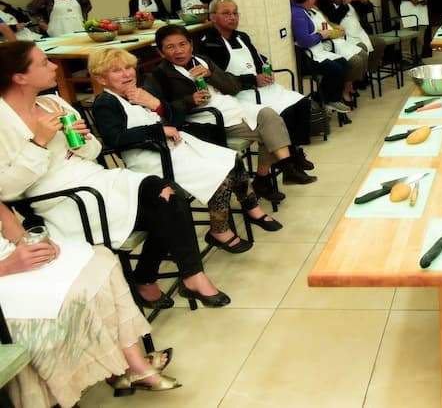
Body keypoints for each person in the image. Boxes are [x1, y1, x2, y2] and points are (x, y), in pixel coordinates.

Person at [0, 40, 230, 309]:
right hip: (62, 199)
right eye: (44, 63)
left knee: (167, 193)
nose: (54, 66)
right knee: (162, 207)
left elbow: (94, 151)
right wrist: (39, 144)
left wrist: (82, 140)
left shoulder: (52, 102)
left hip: (95, 176)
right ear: (20, 77)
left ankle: (188, 277)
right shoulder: (3, 121)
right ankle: (154, 278)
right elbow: (6, 190)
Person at [90, 47, 282, 252]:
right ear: (101, 79)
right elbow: (115, 139)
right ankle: (219, 230)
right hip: (150, 159)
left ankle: (252, 208)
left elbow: (178, 119)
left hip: (175, 148)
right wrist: (159, 130)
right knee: (218, 174)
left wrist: (156, 104)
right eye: (116, 70)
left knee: (231, 159)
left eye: (128, 67)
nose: (127, 74)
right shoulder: (106, 103)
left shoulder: (141, 92)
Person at [0, 201, 181, 405]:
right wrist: (7, 266)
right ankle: (119, 371)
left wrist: (27, 243)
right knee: (65, 300)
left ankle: (132, 363)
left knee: (99, 261)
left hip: (10, 254)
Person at [148, 25, 317, 201]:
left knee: (269, 115)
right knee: (269, 129)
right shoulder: (159, 75)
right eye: (170, 47)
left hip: (231, 108)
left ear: (190, 44)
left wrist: (211, 75)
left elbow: (234, 87)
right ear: (161, 52)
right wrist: (189, 101)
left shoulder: (202, 60)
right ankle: (271, 176)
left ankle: (278, 172)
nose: (178, 51)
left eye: (182, 44)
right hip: (207, 121)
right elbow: (161, 112)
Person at [198, 0, 316, 159]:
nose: (232, 17)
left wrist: (266, 71)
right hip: (239, 93)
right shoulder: (208, 44)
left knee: (302, 103)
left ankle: (295, 152)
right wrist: (253, 79)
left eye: (235, 13)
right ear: (212, 17)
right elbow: (222, 79)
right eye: (226, 13)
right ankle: (288, 158)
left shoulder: (242, 37)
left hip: (260, 87)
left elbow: (258, 60)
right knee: (285, 113)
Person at [291, 0, 359, 114]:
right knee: (336, 69)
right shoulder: (298, 14)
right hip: (308, 58)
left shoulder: (306, 10)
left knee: (343, 62)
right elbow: (304, 41)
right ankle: (329, 99)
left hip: (317, 50)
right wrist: (321, 35)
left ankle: (324, 98)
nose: (315, 1)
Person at [316, 0, 386, 78]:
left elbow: (368, 9)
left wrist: (364, 0)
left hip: (360, 33)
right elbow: (334, 19)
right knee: (362, 48)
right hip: (343, 37)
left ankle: (367, 72)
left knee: (380, 43)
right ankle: (359, 78)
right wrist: (344, 4)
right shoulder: (324, 1)